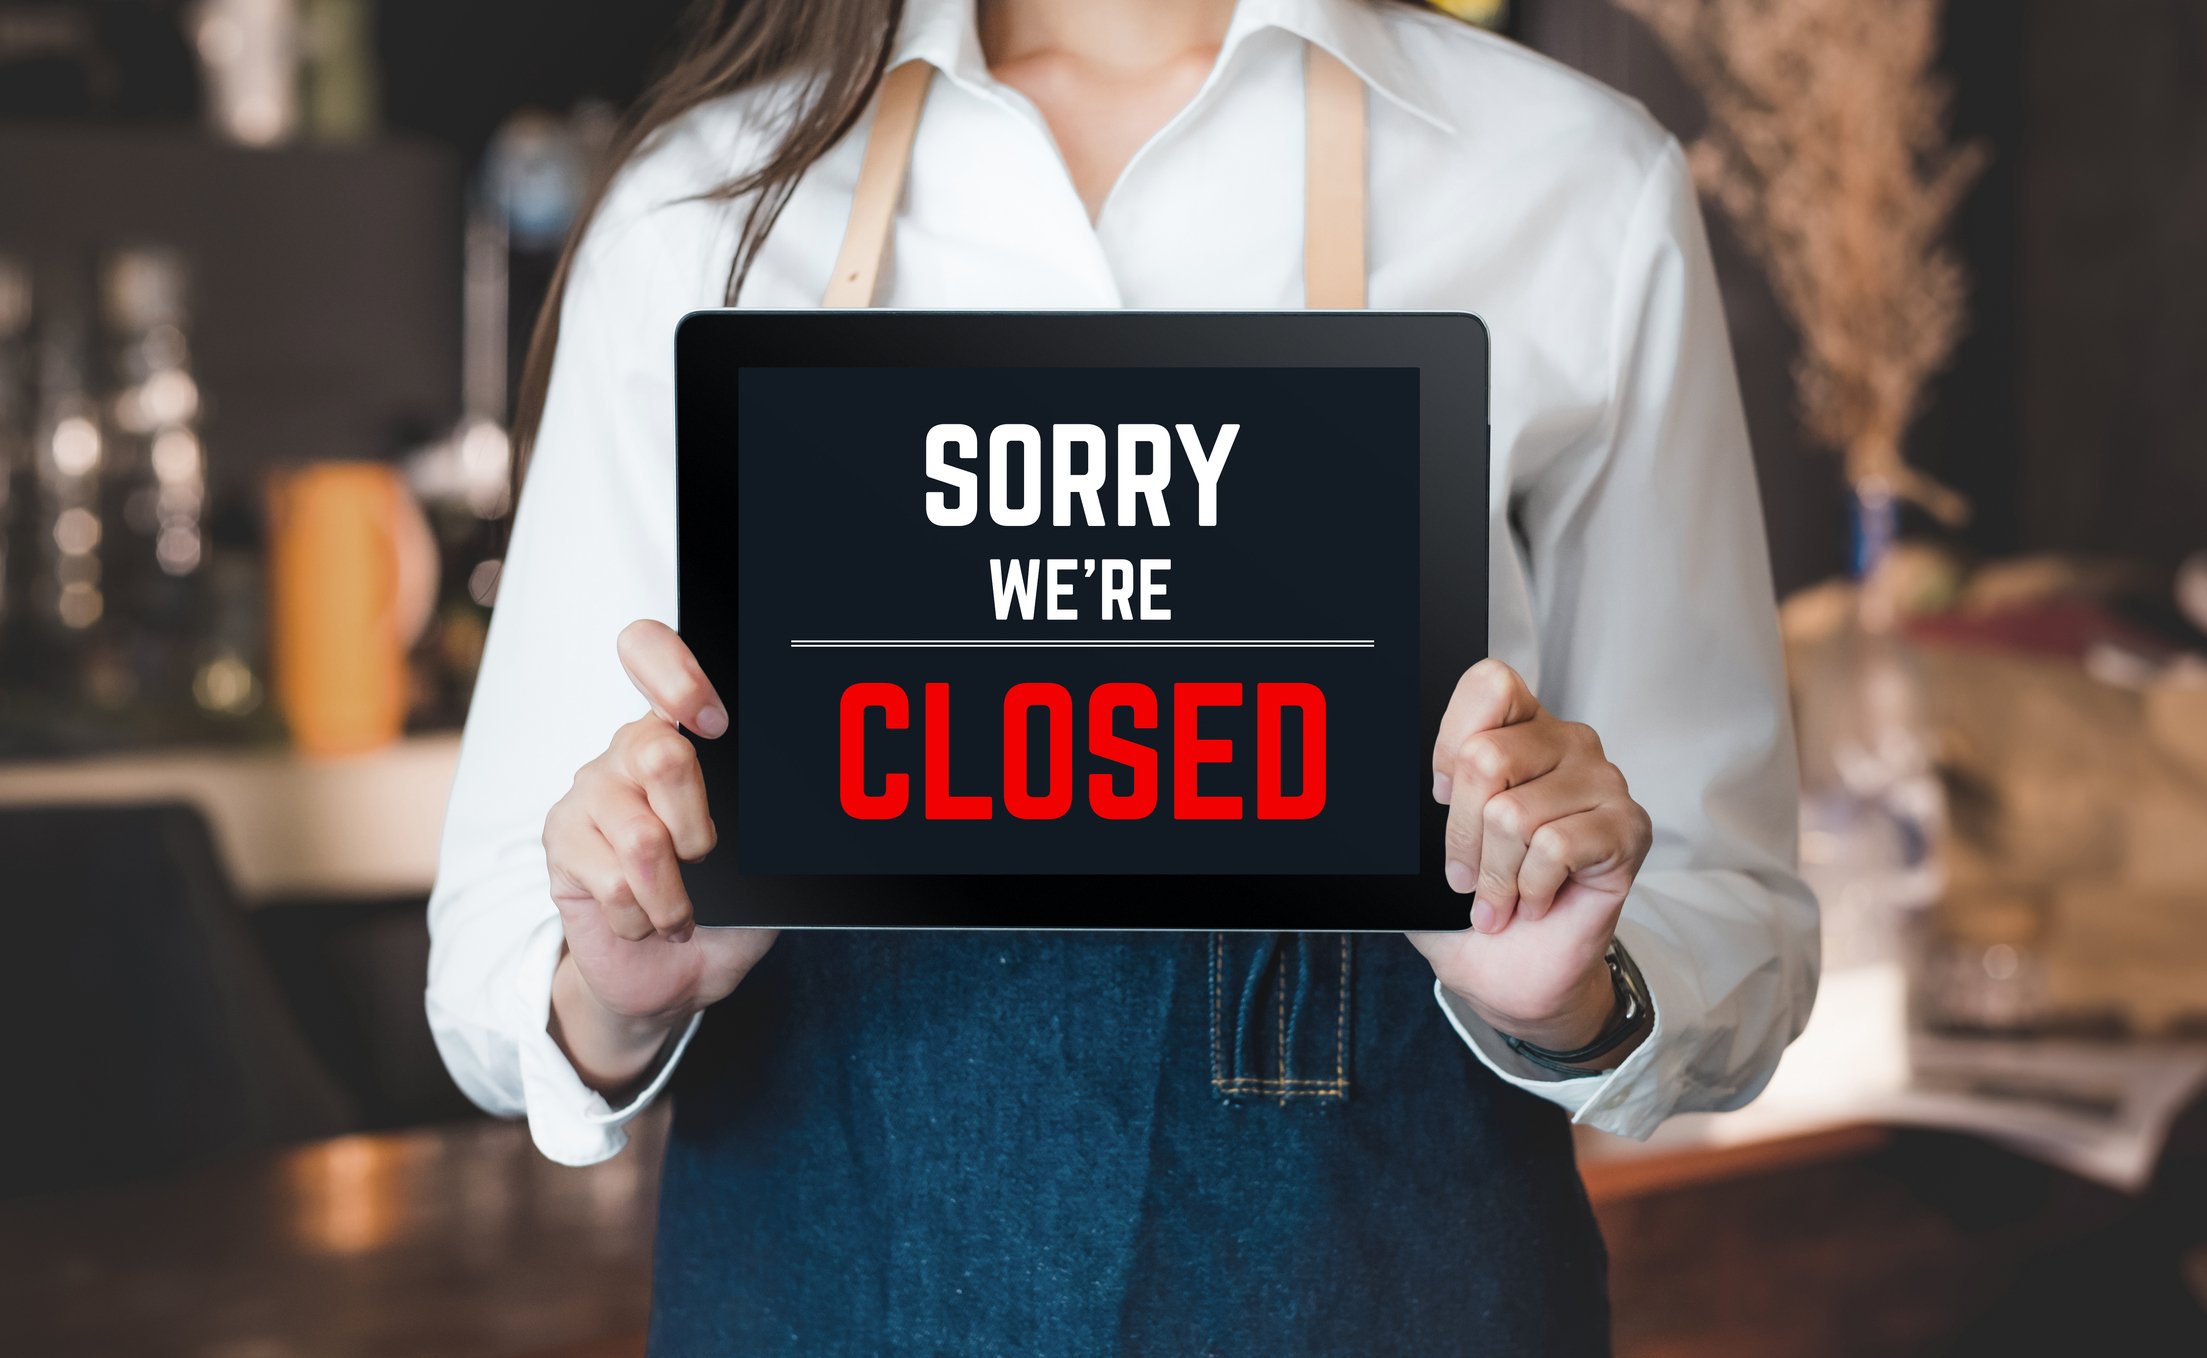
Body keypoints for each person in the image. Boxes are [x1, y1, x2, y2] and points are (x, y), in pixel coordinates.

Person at [427, 0, 1819, 1350]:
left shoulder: (1574, 179)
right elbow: (498, 953)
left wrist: (1570, 993)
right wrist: (616, 982)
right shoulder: (696, 208)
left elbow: (1731, 915)